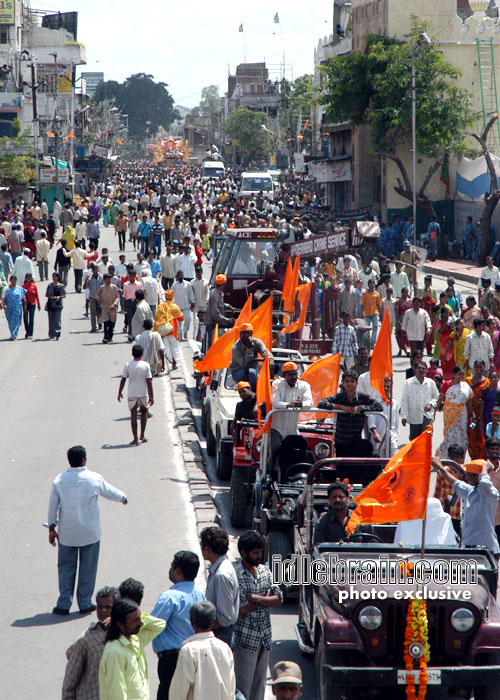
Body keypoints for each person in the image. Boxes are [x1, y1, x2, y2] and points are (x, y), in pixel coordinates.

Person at [48, 445, 127, 615]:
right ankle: (84, 602)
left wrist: (51, 528)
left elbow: (52, 506)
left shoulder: (59, 480)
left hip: (67, 534)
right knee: (88, 568)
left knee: (66, 568)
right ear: (84, 460)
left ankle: (63, 603)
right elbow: (109, 491)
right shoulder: (93, 478)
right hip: (90, 533)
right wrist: (123, 497)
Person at [233, 531, 283, 700]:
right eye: (255, 553)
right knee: (243, 688)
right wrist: (266, 598)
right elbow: (241, 609)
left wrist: (256, 598)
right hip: (245, 639)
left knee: (259, 688)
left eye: (260, 552)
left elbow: (279, 598)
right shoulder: (236, 575)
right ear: (243, 553)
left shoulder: (265, 571)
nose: (259, 556)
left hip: (265, 637)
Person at [151, 550, 205, 700]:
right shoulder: (199, 595)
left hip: (172, 660)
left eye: (171, 566)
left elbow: (152, 623)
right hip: (195, 656)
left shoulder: (169, 597)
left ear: (178, 570)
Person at [99, 598, 166, 700]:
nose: (141, 623)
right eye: (136, 620)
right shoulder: (115, 651)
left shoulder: (135, 640)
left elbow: (160, 624)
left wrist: (140, 616)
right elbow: (117, 693)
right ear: (120, 624)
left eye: (140, 618)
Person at [169, 600, 235, 700]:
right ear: (213, 621)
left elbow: (178, 691)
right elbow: (231, 686)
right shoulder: (224, 648)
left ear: (191, 621)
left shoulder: (189, 650)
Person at [434, 457, 500, 558]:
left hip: (486, 550)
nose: (467, 477)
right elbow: (455, 483)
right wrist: (440, 467)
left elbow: (484, 483)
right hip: (470, 547)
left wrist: (484, 469)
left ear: (478, 476)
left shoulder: (490, 493)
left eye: (469, 475)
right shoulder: (471, 491)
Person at [62, 586, 119, 700]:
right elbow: (70, 681)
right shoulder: (85, 640)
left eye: (108, 607)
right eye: (100, 607)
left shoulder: (125, 635)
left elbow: (154, 625)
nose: (103, 611)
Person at [318, 369, 382, 457]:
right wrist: (339, 406)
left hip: (356, 441)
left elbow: (379, 407)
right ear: (343, 383)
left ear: (356, 383)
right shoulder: (339, 397)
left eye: (352, 381)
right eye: (347, 381)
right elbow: (321, 403)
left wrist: (360, 408)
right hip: (341, 442)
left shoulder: (363, 397)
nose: (349, 384)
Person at [200, 526, 240, 645]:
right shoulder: (220, 568)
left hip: (221, 635)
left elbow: (225, 617)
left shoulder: (221, 575)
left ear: (207, 549)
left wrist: (202, 628)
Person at [271, 362, 313, 458]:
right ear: (283, 375)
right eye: (290, 374)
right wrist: (290, 405)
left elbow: (309, 403)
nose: (293, 377)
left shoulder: (304, 385)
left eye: (295, 374)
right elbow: (275, 402)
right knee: (275, 448)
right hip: (277, 428)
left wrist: (301, 404)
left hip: (293, 429)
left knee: (295, 453)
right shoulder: (277, 384)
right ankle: (271, 471)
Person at [117, 344, 154, 445]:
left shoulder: (128, 365)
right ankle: (142, 435)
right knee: (144, 413)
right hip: (143, 393)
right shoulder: (146, 365)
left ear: (132, 354)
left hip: (132, 393)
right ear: (142, 354)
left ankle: (135, 438)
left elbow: (123, 380)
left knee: (133, 416)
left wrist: (119, 392)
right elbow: (149, 381)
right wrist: (151, 396)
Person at [436, 366, 474, 458]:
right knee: (449, 435)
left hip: (462, 414)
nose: (461, 376)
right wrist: (434, 411)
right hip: (450, 414)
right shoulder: (447, 384)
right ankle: (445, 456)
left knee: (462, 436)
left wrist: (472, 414)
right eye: (459, 374)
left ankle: (460, 457)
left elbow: (469, 401)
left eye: (462, 374)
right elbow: (440, 399)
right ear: (453, 375)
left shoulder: (465, 386)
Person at [400, 361, 439, 439]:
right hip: (414, 417)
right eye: (419, 368)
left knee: (425, 440)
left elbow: (436, 396)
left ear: (426, 370)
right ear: (415, 369)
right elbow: (404, 400)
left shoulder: (430, 383)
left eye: (423, 368)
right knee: (414, 441)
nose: (421, 370)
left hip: (427, 416)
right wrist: (404, 416)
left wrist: (431, 404)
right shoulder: (408, 383)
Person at [229, 322, 268, 390]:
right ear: (240, 334)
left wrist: (270, 359)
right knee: (252, 372)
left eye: (248, 332)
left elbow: (265, 352)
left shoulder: (257, 342)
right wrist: (249, 349)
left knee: (264, 376)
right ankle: (253, 393)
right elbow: (245, 364)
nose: (246, 335)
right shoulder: (235, 348)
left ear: (252, 334)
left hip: (253, 369)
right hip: (238, 371)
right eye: (244, 333)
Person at [154, 289, 183, 371]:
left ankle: (169, 362)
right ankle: (174, 363)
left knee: (165, 348)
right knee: (174, 347)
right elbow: (181, 318)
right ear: (172, 297)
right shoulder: (175, 306)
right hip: (173, 331)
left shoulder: (161, 306)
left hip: (164, 331)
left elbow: (156, 317)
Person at [467, 359, 490, 459]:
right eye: (477, 367)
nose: (479, 369)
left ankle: (482, 457)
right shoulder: (468, 380)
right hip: (470, 411)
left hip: (482, 412)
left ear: (484, 368)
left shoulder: (487, 382)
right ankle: (473, 457)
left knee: (481, 435)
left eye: (481, 367)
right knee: (471, 435)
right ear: (474, 367)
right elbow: (467, 396)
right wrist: (472, 413)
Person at [205, 274, 235, 347]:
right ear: (224, 284)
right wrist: (227, 320)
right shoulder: (215, 295)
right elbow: (215, 314)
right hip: (212, 324)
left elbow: (220, 305)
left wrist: (228, 307)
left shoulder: (219, 293)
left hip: (215, 323)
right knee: (213, 345)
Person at [96, 273, 120, 344]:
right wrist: (99, 299)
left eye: (110, 278)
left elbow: (117, 297)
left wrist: (114, 304)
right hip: (105, 307)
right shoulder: (102, 287)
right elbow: (97, 294)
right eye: (107, 279)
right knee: (106, 322)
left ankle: (110, 336)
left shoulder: (114, 287)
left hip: (113, 308)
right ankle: (105, 337)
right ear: (104, 279)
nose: (108, 280)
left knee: (111, 322)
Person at [172, 269, 195, 340]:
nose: (180, 276)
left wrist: (192, 302)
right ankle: (179, 335)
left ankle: (185, 331)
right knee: (178, 322)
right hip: (177, 306)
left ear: (183, 275)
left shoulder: (187, 284)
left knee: (188, 319)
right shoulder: (174, 285)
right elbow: (171, 294)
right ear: (177, 276)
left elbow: (191, 293)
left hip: (186, 306)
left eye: (181, 274)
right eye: (178, 275)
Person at [2, 274, 26, 340]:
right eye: (12, 280)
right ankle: (12, 333)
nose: (13, 281)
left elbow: (23, 298)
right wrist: (4, 304)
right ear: (10, 280)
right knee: (10, 321)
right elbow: (3, 298)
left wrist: (25, 306)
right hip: (8, 308)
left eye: (14, 280)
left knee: (16, 321)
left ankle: (14, 335)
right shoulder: (6, 288)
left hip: (17, 308)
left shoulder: (19, 288)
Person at [122, 267, 143, 342]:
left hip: (137, 303)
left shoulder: (139, 284)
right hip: (129, 303)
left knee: (136, 320)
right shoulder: (125, 284)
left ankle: (136, 335)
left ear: (135, 276)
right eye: (130, 276)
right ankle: (130, 335)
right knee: (130, 320)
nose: (131, 277)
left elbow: (141, 294)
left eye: (133, 276)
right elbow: (124, 296)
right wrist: (124, 307)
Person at [360, 278, 381, 349]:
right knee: (367, 329)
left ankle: (372, 343)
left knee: (375, 327)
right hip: (366, 313)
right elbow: (362, 304)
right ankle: (367, 342)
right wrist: (361, 313)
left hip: (375, 312)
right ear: (368, 285)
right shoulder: (365, 293)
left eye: (373, 283)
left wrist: (380, 313)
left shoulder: (376, 294)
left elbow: (378, 304)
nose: (372, 285)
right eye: (371, 283)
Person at [46, 271, 65, 340]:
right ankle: (51, 333)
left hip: (58, 304)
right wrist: (50, 297)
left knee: (57, 319)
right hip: (50, 304)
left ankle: (58, 332)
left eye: (55, 276)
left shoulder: (61, 286)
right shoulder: (50, 285)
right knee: (51, 319)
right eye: (53, 277)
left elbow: (64, 294)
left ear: (58, 277)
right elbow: (47, 294)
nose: (54, 278)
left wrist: (59, 297)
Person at [21, 272, 40, 339]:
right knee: (25, 319)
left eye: (29, 277)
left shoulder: (34, 286)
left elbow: (36, 295)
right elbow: (21, 296)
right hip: (25, 305)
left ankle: (30, 333)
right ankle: (27, 331)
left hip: (32, 304)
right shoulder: (23, 286)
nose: (28, 279)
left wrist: (38, 304)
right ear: (25, 278)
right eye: (27, 278)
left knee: (31, 319)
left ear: (31, 278)